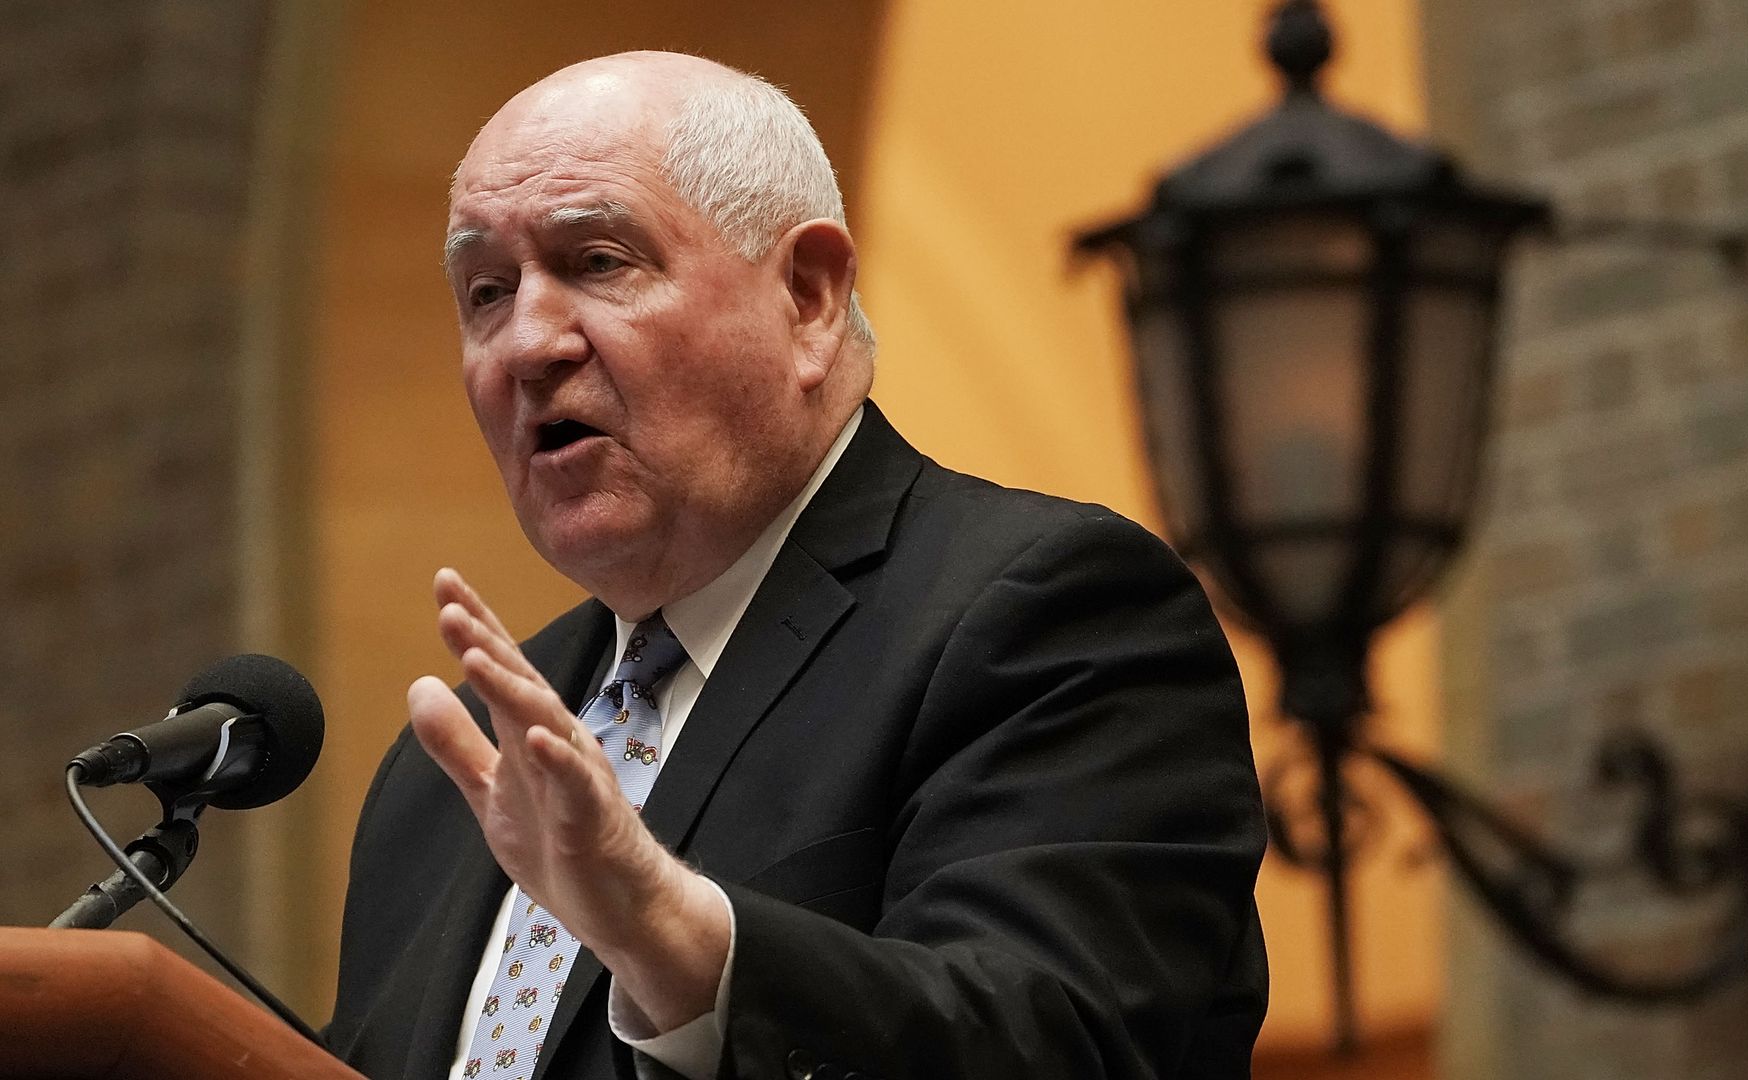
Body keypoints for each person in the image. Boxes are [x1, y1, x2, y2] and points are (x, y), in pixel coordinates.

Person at [324, 51, 1268, 1080]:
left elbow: (1055, 1046)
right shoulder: (445, 780)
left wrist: (667, 931)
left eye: (597, 262)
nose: (528, 343)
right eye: (487, 292)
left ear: (811, 297)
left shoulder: (1051, 615)